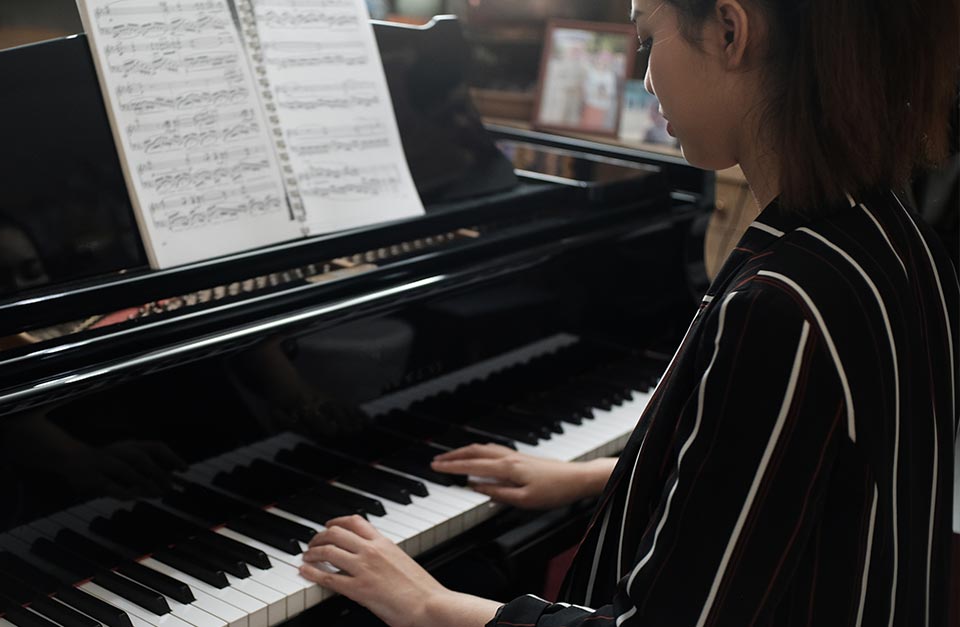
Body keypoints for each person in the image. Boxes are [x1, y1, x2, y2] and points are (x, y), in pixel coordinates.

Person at [295, 0, 960, 625]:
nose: (644, 77)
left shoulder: (783, 308)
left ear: (731, 32)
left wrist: (428, 604)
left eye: (647, 37)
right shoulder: (895, 237)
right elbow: (783, 476)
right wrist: (591, 476)